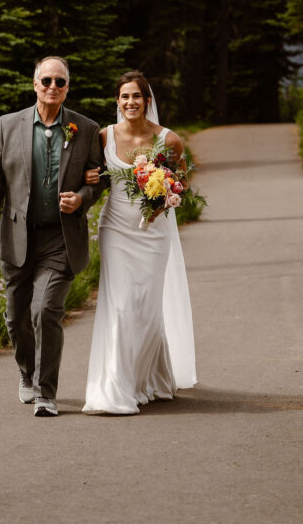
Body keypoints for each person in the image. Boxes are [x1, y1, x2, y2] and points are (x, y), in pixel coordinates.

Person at [0, 55, 105, 417]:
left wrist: (81, 197)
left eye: (59, 82)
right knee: (16, 317)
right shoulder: (8, 125)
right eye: (46, 81)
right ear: (35, 85)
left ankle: (47, 393)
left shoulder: (86, 129)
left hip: (60, 239)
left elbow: (98, 179)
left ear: (67, 87)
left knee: (45, 309)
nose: (52, 88)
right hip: (17, 236)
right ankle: (26, 371)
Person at [81, 69, 196, 414]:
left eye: (137, 96)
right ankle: (116, 387)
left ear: (148, 101)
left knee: (145, 306)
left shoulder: (168, 140)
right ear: (117, 102)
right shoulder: (103, 137)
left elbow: (184, 182)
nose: (131, 102)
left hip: (153, 234)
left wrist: (165, 197)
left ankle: (149, 376)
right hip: (116, 228)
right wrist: (89, 176)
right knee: (119, 305)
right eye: (124, 96)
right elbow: (91, 176)